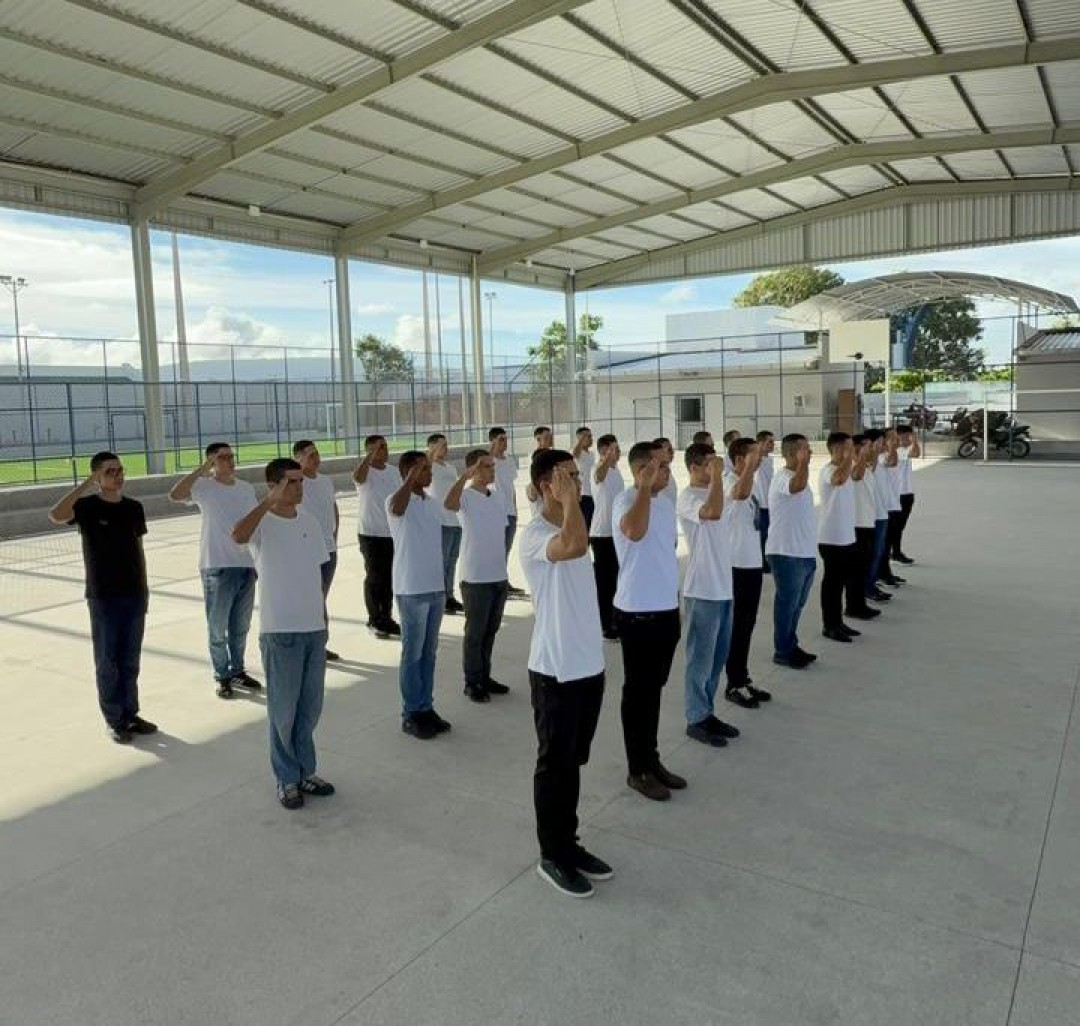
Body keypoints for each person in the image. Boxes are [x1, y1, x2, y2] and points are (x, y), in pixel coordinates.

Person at [519, 448, 612, 899]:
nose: (577, 483)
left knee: (573, 763)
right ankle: (551, 855)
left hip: (587, 665)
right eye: (567, 477)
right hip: (554, 669)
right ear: (545, 486)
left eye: (577, 476)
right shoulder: (535, 534)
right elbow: (573, 546)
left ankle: (568, 842)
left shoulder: (573, 520)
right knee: (554, 766)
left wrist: (572, 501)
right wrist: (571, 501)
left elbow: (579, 539)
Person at [232, 458, 334, 810]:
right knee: (283, 712)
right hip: (281, 632)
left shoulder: (309, 521)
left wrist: (323, 618)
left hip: (312, 630)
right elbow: (237, 536)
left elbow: (316, 574)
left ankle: (305, 770)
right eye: (291, 482)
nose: (299, 487)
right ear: (274, 485)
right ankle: (286, 777)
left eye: (301, 481)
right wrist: (266, 502)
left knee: (309, 709)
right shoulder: (263, 523)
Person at [48, 451, 158, 744]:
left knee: (130, 660)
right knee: (107, 660)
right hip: (104, 596)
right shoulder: (86, 506)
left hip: (134, 594)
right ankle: (114, 718)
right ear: (97, 476)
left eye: (120, 470)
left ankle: (130, 713)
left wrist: (145, 590)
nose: (118, 475)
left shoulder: (134, 507)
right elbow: (56, 515)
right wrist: (86, 484)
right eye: (110, 471)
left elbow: (138, 550)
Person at [613, 441, 686, 801]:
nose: (667, 470)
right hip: (637, 612)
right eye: (659, 466)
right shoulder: (626, 501)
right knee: (638, 693)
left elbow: (666, 552)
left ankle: (652, 759)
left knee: (653, 691)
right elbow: (634, 532)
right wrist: (642, 487)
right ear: (641, 470)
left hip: (664, 609)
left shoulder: (665, 503)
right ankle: (637, 769)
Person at [169, 441, 261, 697]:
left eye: (231, 456)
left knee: (240, 626)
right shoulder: (203, 486)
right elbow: (175, 495)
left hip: (245, 564)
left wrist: (258, 561)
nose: (229, 460)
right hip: (217, 565)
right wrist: (203, 469)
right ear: (210, 461)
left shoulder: (246, 488)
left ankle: (238, 670)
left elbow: (255, 522)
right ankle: (222, 675)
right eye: (222, 457)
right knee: (217, 626)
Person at [676, 444, 741, 747]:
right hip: (702, 588)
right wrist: (717, 478)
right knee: (699, 659)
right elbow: (713, 513)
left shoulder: (716, 490)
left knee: (717, 658)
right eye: (708, 464)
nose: (714, 468)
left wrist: (746, 468)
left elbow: (733, 498)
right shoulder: (689, 497)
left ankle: (707, 711)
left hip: (723, 586)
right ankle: (695, 717)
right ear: (693, 467)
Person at [387, 450, 451, 741]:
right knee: (412, 654)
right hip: (411, 588)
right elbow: (398, 509)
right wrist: (409, 480)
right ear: (410, 472)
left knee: (428, 653)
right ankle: (410, 712)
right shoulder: (395, 501)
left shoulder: (431, 502)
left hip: (435, 587)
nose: (429, 474)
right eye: (424, 469)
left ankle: (426, 706)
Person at [444, 449, 510, 703]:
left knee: (490, 631)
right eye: (485, 466)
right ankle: (472, 682)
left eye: (492, 466)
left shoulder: (498, 496)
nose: (491, 470)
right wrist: (464, 478)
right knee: (475, 633)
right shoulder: (466, 496)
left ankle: (485, 675)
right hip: (475, 578)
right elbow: (449, 504)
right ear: (473, 469)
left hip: (498, 575)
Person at [724, 436, 771, 706]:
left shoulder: (750, 483)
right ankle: (733, 683)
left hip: (752, 564)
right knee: (738, 627)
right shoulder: (731, 481)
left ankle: (742, 677)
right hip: (737, 566)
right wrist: (749, 468)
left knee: (747, 625)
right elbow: (739, 495)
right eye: (753, 456)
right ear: (739, 459)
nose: (760, 459)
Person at [765, 434, 818, 670]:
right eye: (805, 450)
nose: (810, 453)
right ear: (791, 454)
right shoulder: (782, 478)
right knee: (787, 604)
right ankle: (782, 650)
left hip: (804, 552)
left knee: (797, 604)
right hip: (786, 553)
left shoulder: (799, 478)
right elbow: (796, 486)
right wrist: (803, 464)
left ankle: (791, 644)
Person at [294, 440, 341, 661]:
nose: (316, 458)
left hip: (329, 549)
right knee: (312, 598)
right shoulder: (296, 483)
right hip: (306, 551)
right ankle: (310, 644)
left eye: (317, 454)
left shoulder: (326, 481)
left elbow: (333, 508)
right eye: (310, 455)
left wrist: (335, 535)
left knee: (321, 597)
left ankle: (320, 644)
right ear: (298, 458)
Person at [817, 432, 865, 644]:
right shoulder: (829, 470)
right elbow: (839, 479)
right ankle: (830, 625)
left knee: (842, 582)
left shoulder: (845, 469)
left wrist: (861, 457)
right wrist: (847, 458)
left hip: (846, 535)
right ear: (836, 449)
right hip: (831, 537)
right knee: (832, 585)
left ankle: (838, 622)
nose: (851, 450)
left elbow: (857, 476)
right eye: (847, 447)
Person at [353, 434, 402, 639]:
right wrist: (369, 456)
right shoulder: (365, 472)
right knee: (375, 577)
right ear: (370, 450)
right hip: (371, 533)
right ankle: (374, 618)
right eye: (379, 447)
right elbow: (357, 477)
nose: (384, 450)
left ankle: (387, 616)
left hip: (392, 532)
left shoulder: (393, 472)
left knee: (390, 577)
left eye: (385, 446)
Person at [589, 433, 624, 642]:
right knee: (605, 583)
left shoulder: (616, 471)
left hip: (615, 533)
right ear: (604, 451)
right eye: (614, 449)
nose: (618, 453)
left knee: (615, 580)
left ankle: (615, 620)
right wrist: (603, 459)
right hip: (601, 534)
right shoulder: (598, 469)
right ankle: (605, 626)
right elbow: (598, 476)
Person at [425, 433, 464, 614]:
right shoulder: (429, 466)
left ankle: (449, 595)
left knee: (452, 560)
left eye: (446, 445)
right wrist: (430, 453)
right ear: (432, 447)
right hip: (440, 520)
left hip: (455, 520)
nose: (445, 448)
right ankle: (440, 596)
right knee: (442, 560)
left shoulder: (450, 467)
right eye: (441, 445)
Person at [850, 435, 887, 617]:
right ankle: (855, 605)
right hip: (857, 524)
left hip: (868, 522)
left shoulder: (864, 465)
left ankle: (860, 603)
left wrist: (871, 452)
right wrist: (862, 454)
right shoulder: (850, 466)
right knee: (857, 568)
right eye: (867, 446)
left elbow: (870, 466)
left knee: (864, 564)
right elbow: (856, 476)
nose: (871, 449)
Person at [489, 426, 526, 597]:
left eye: (505, 439)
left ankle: (503, 581)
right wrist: (492, 450)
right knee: (495, 548)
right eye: (501, 439)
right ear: (493, 441)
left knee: (506, 548)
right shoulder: (489, 461)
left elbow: (510, 487)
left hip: (510, 511)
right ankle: (495, 582)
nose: (505, 443)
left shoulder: (509, 461)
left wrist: (515, 509)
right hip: (495, 512)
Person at [862, 430, 893, 605]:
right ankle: (868, 586)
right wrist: (871, 452)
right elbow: (870, 467)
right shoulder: (870, 462)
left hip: (882, 512)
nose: (884, 444)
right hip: (872, 515)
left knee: (878, 552)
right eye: (880, 441)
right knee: (873, 553)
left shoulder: (882, 459)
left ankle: (872, 583)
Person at [876, 429, 907, 588]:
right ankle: (882, 574)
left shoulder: (893, 454)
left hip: (894, 503)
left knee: (888, 541)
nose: (897, 440)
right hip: (885, 507)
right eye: (892, 438)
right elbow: (890, 462)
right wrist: (892, 448)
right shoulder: (881, 457)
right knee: (884, 544)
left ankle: (885, 572)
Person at [893, 424, 921, 564]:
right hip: (898, 494)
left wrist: (914, 441)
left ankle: (895, 551)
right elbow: (915, 453)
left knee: (900, 526)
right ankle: (895, 552)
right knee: (896, 526)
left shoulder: (904, 449)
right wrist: (915, 440)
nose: (909, 439)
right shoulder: (896, 451)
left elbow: (916, 452)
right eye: (907, 436)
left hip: (907, 493)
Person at [754, 430, 775, 570]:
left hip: (770, 504)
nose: (773, 445)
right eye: (769, 442)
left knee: (768, 535)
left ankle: (766, 561)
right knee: (761, 536)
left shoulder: (769, 460)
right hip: (761, 504)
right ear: (760, 443)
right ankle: (761, 563)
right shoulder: (756, 460)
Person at [572, 426, 596, 529]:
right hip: (583, 495)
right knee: (584, 525)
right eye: (588, 436)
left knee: (591, 524)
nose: (591, 439)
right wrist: (581, 439)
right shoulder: (578, 453)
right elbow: (575, 452)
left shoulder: (592, 454)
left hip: (593, 493)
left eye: (591, 436)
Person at [653, 437, 678, 505]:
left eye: (672, 449)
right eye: (669, 450)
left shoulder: (668, 472)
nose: (672, 452)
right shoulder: (655, 475)